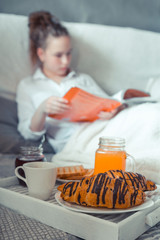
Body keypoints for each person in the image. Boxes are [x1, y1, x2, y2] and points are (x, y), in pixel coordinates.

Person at [16, 11, 149, 153]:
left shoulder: (82, 79)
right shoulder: (28, 86)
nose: (66, 61)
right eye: (58, 55)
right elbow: (28, 134)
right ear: (41, 54)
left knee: (148, 115)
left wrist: (116, 109)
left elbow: (109, 102)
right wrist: (42, 109)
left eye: (68, 53)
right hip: (74, 144)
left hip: (104, 131)